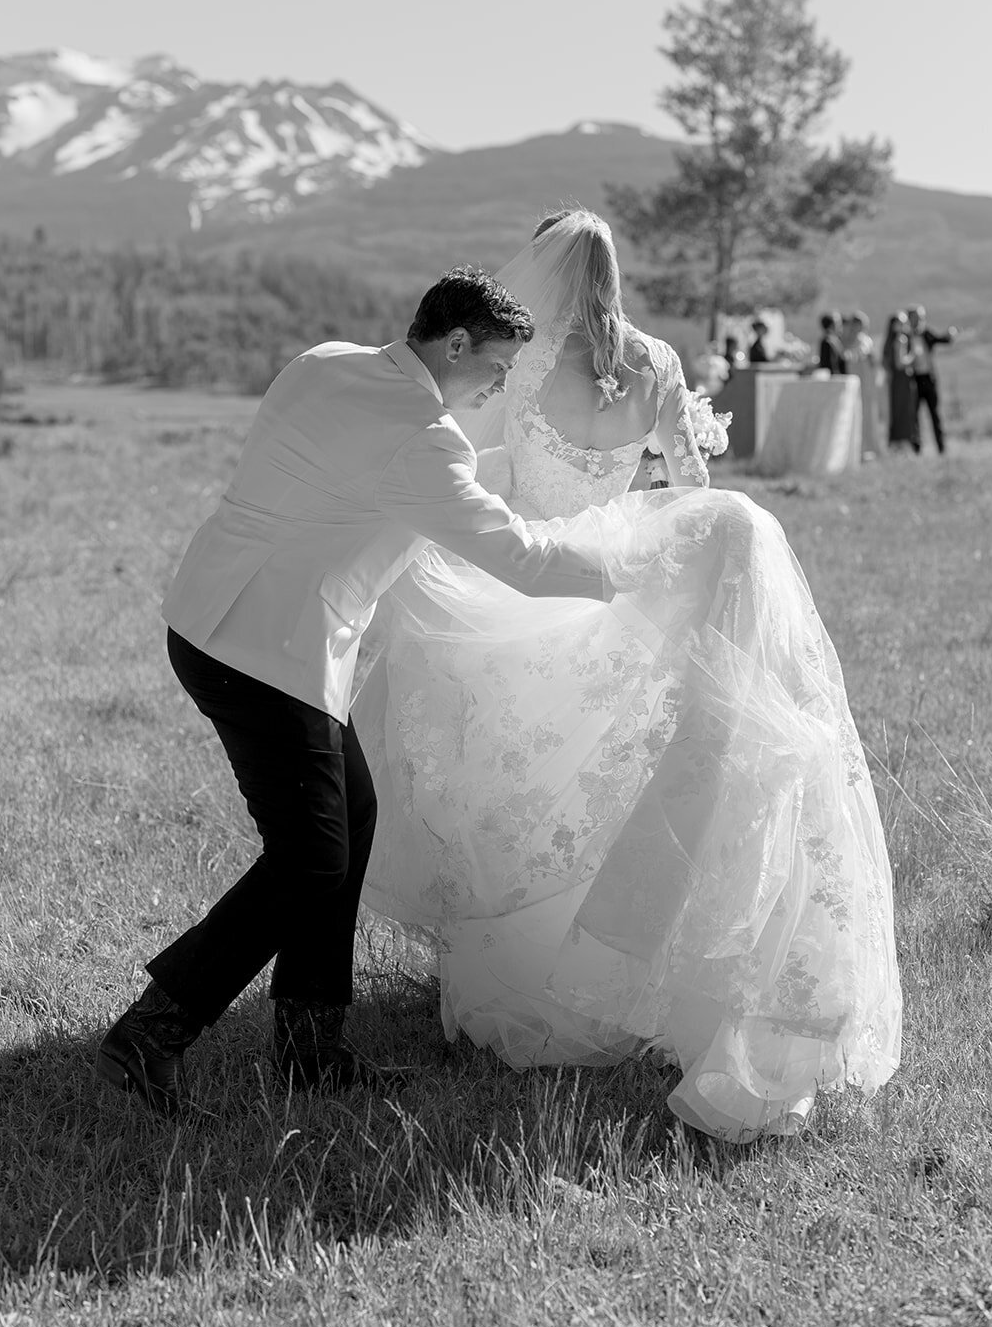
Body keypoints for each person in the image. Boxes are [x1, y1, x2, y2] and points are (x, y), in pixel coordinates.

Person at [353, 210, 901, 1140]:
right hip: (621, 574)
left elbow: (481, 475)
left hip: (540, 572)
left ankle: (537, 975)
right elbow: (688, 490)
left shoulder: (519, 361)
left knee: (527, 766)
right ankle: (641, 972)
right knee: (634, 766)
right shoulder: (654, 361)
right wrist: (631, 485)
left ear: (543, 275)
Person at [97, 268, 615, 1117]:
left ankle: (311, 1047)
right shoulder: (423, 438)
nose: (498, 384)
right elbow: (515, 556)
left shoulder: (324, 362)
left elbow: (375, 471)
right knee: (310, 857)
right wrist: (626, 572)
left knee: (352, 816)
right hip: (266, 652)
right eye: (494, 366)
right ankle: (153, 1032)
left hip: (207, 619)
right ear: (454, 345)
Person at [906, 304, 957, 454]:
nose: (919, 321)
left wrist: (950, 335)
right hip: (913, 380)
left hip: (928, 379)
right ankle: (916, 448)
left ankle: (941, 448)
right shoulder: (906, 337)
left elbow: (942, 340)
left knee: (934, 414)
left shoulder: (926, 334)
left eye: (921, 318)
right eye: (916, 318)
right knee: (914, 416)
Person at [840, 311, 884, 459]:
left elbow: (865, 356)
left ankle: (867, 448)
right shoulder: (846, 340)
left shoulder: (864, 341)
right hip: (853, 383)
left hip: (864, 384)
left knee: (866, 416)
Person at [882, 312, 918, 451]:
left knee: (897, 410)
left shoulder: (890, 341)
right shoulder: (901, 339)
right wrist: (912, 355)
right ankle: (902, 443)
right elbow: (900, 363)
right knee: (903, 410)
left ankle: (897, 443)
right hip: (902, 379)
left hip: (895, 380)